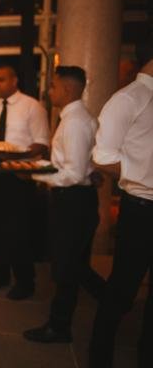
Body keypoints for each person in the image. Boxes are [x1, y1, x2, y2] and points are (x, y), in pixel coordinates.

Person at [23, 66, 105, 343]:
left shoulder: (75, 122)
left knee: (66, 266)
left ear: (67, 89)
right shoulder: (78, 118)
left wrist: (34, 174)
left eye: (54, 86)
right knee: (74, 264)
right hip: (78, 198)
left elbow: (73, 174)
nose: (50, 91)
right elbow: (80, 165)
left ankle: (60, 326)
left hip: (72, 201)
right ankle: (108, 302)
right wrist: (40, 167)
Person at [88, 42, 153, 368]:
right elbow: (102, 157)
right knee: (121, 290)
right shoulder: (128, 99)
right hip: (141, 209)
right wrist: (144, 176)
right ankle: (99, 359)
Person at [0, 65, 50, 300]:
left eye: (2, 79)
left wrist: (17, 155)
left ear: (15, 80)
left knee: (19, 230)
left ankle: (25, 281)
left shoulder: (32, 106)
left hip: (18, 177)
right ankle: (0, 274)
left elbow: (41, 143)